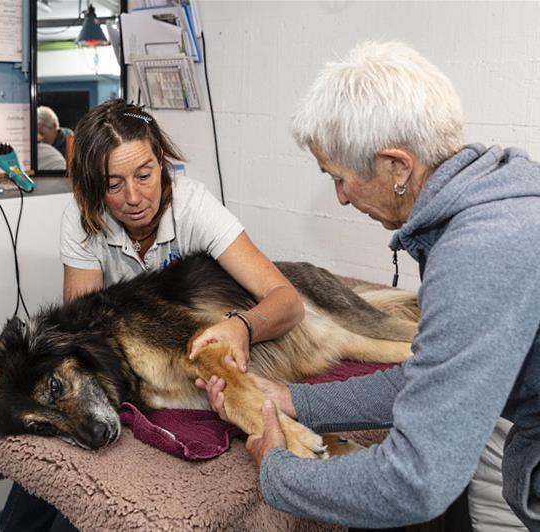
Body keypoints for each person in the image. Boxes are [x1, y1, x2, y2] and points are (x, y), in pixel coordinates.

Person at [198, 41, 540, 529]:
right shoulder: (501, 193)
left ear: (397, 167)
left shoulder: (480, 250)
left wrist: (278, 469)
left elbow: (413, 481)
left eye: (338, 177)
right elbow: (432, 375)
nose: (338, 197)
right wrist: (295, 400)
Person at [0, 98, 305, 532]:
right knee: (42, 490)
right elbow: (78, 333)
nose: (134, 198)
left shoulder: (193, 206)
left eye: (144, 175)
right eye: (113, 184)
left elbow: (286, 301)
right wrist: (12, 388)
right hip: (133, 381)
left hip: (182, 357)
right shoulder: (83, 222)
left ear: (162, 163)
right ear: (93, 188)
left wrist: (240, 326)